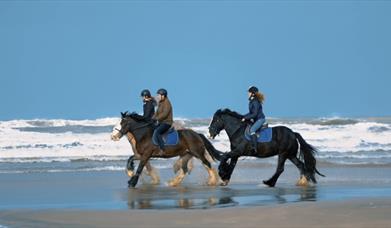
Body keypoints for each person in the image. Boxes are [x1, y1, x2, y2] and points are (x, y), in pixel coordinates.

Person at [241, 86, 266, 153]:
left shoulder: (255, 102)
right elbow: (250, 113)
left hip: (260, 119)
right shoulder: (252, 101)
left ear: (252, 93)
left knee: (252, 130)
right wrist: (242, 116)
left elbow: (254, 114)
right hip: (256, 119)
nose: (248, 94)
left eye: (249, 92)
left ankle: (254, 148)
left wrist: (245, 118)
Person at [152, 88, 173, 155]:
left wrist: (157, 118)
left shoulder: (167, 103)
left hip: (167, 123)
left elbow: (165, 114)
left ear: (163, 96)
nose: (157, 97)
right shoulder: (161, 103)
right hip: (161, 122)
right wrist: (152, 119)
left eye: (159, 95)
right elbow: (157, 113)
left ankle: (163, 149)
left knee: (157, 132)